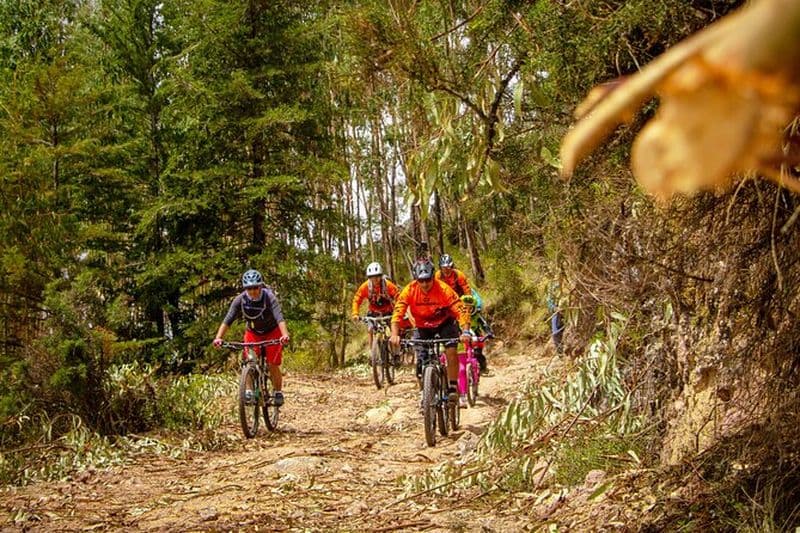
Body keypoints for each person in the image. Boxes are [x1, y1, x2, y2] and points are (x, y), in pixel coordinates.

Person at [389, 259, 471, 404]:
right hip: (423, 326)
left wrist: (465, 331)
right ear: (416, 280)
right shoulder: (409, 290)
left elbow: (460, 310)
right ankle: (424, 394)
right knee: (421, 362)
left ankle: (452, 387)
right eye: (421, 281)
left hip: (445, 323)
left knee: (451, 351)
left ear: (433, 277)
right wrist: (395, 334)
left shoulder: (444, 289)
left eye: (428, 280)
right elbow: (398, 312)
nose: (425, 284)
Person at [213, 269, 290, 406]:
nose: (253, 291)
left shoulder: (269, 297)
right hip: (253, 333)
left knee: (273, 363)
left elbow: (279, 317)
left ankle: (278, 392)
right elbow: (228, 319)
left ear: (261, 286)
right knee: (249, 362)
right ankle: (249, 391)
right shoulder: (240, 300)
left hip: (273, 332)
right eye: (249, 288)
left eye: (255, 287)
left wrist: (284, 334)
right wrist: (219, 337)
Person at [351, 262, 401, 353]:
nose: (375, 280)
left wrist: (399, 310)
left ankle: (397, 352)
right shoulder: (365, 286)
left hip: (388, 311)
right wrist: (355, 313)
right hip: (373, 312)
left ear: (381, 276)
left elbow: (399, 296)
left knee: (395, 330)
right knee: (370, 330)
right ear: (369, 278)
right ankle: (372, 352)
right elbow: (357, 299)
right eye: (372, 277)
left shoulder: (388, 285)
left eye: (377, 277)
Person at [460, 290, 494, 376]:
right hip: (462, 335)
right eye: (465, 308)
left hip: (476, 334)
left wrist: (489, 332)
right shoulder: (458, 317)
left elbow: (484, 324)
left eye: (470, 308)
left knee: (478, 353)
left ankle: (483, 368)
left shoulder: (477, 316)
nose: (468, 311)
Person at [546, 280, 564, 355]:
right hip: (556, 314)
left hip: (561, 314)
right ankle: (561, 354)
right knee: (556, 334)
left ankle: (562, 354)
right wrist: (555, 308)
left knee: (557, 333)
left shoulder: (559, 287)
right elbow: (549, 303)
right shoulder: (553, 289)